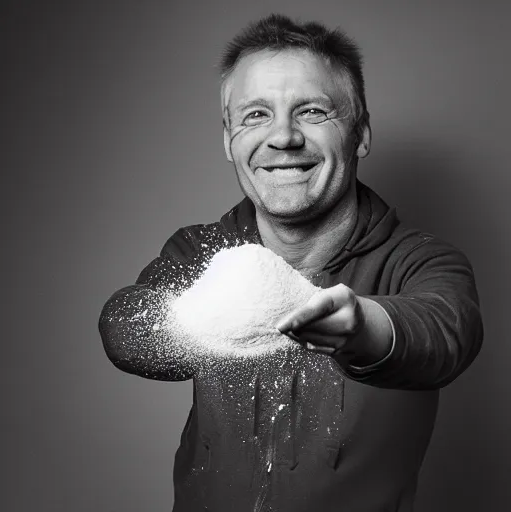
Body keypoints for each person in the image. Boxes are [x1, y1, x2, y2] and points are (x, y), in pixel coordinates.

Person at [99, 14, 483, 512]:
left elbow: (447, 332)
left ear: (361, 134)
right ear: (228, 140)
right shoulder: (200, 255)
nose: (283, 137)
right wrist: (205, 325)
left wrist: (363, 328)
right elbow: (126, 326)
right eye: (255, 115)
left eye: (313, 111)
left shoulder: (419, 260)